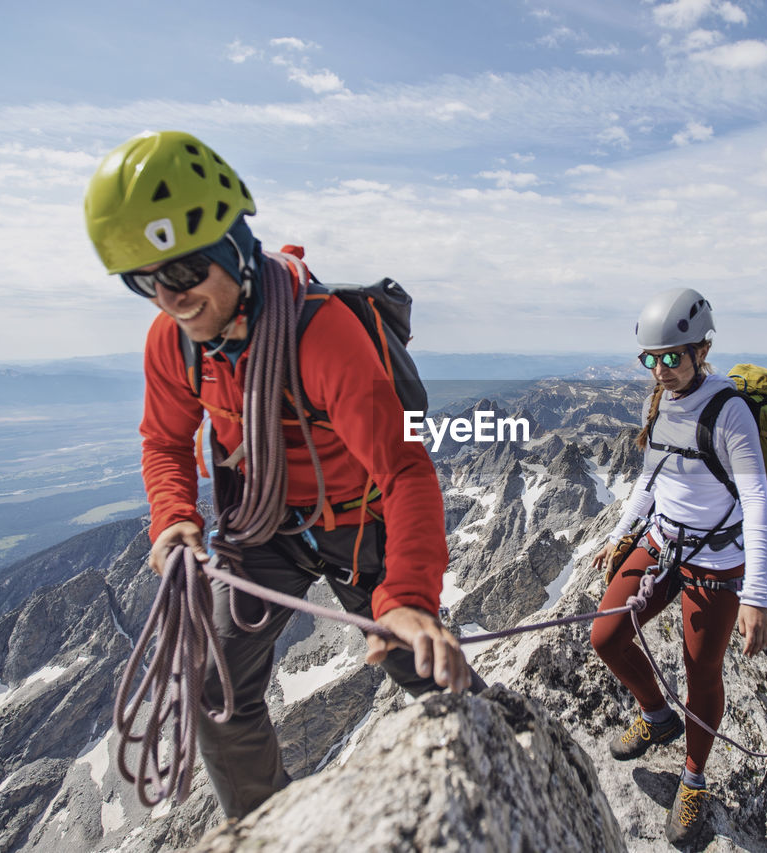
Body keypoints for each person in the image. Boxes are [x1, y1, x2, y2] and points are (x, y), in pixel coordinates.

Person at [83, 130, 474, 819]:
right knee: (215, 691)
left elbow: (406, 467)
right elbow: (165, 441)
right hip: (264, 527)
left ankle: (485, 764)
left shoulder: (321, 335)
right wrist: (174, 514)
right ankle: (268, 825)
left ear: (233, 244)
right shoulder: (175, 344)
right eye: (143, 281)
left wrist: (407, 593)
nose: (168, 298)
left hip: (358, 526)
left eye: (181, 273)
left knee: (420, 662)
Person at [589, 288, 767, 845]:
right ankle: (656, 716)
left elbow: (758, 505)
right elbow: (652, 478)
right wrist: (622, 535)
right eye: (651, 359)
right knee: (606, 635)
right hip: (664, 542)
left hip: (716, 560)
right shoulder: (662, 401)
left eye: (673, 357)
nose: (661, 369)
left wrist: (758, 596)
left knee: (701, 671)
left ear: (702, 349)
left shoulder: (728, 412)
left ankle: (693, 779)